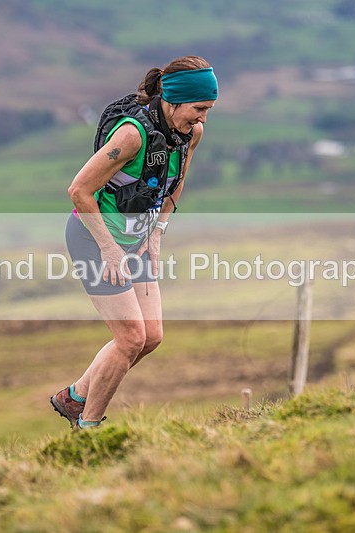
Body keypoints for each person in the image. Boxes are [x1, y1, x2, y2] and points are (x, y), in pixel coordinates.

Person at [50, 55, 218, 429]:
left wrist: (156, 234)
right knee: (129, 340)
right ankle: (88, 430)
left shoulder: (191, 134)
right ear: (173, 99)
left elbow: (175, 185)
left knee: (151, 336)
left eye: (208, 110)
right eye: (199, 108)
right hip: (94, 238)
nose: (203, 118)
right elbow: (79, 190)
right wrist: (109, 249)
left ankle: (75, 396)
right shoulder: (131, 135)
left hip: (137, 240)